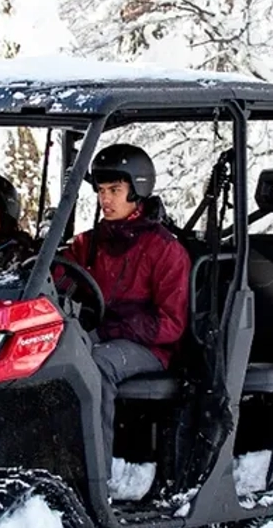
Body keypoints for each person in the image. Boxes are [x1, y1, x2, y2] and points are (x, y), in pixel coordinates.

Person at [61, 143, 191, 457]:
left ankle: (96, 475)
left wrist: (114, 328)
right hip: (98, 335)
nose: (105, 199)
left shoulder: (165, 249)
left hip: (151, 348)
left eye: (115, 190)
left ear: (137, 191)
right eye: (102, 190)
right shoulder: (89, 243)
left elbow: (171, 325)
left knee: (95, 366)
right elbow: (59, 276)